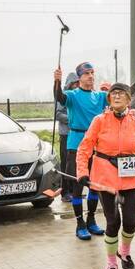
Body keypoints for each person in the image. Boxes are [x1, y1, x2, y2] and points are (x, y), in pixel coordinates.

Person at [76, 83, 135, 269]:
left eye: (122, 93)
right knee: (114, 223)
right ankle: (111, 264)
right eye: (113, 93)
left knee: (131, 222)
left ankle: (125, 252)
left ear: (129, 100)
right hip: (105, 180)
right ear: (109, 99)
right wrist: (82, 173)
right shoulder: (100, 121)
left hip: (129, 180)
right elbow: (84, 148)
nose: (117, 96)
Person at [54, 62, 135, 240]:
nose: (90, 76)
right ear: (79, 77)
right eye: (86, 73)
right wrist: (56, 82)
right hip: (77, 144)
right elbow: (59, 97)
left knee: (95, 186)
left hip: (98, 147)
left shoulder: (101, 95)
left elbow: (123, 94)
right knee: (78, 187)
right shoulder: (73, 95)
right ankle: (79, 223)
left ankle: (91, 220)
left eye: (92, 72)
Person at [55, 73, 79, 202]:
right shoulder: (64, 95)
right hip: (66, 134)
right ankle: (65, 192)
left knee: (75, 164)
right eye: (74, 83)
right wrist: (72, 119)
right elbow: (57, 114)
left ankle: (75, 191)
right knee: (65, 163)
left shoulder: (78, 96)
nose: (76, 85)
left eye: (78, 83)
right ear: (69, 83)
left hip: (76, 135)